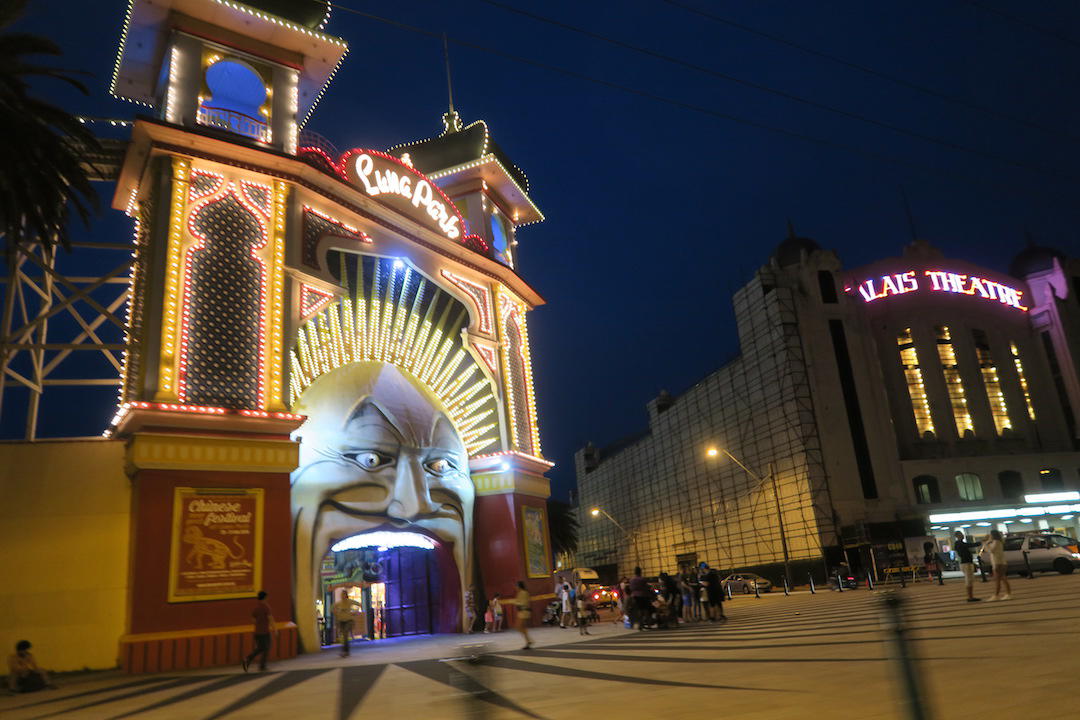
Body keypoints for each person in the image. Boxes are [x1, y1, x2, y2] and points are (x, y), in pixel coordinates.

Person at [242, 590, 276, 672]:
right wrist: (275, 629)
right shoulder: (266, 607)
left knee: (262, 648)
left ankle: (252, 661)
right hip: (265, 632)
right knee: (265, 648)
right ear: (265, 597)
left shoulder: (256, 608)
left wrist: (259, 622)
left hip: (257, 632)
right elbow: (270, 619)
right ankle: (255, 662)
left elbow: (253, 620)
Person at [984, 530, 1012, 601]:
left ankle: (998, 595)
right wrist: (987, 543)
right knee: (1001, 579)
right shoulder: (998, 542)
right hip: (998, 562)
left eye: (990, 535)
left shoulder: (996, 542)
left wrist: (986, 543)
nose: (990, 536)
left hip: (998, 563)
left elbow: (991, 551)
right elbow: (989, 550)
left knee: (999, 580)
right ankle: (1005, 594)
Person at [331, 590, 362, 657]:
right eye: (341, 595)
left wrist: (355, 612)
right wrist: (336, 613)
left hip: (349, 620)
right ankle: (345, 651)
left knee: (345, 634)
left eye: (343, 594)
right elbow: (332, 608)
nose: (342, 596)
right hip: (341, 621)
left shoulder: (349, 601)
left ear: (346, 595)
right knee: (344, 636)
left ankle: (345, 651)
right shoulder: (339, 603)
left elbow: (359, 604)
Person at [954, 530, 981, 603]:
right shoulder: (958, 543)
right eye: (961, 534)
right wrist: (980, 543)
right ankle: (970, 597)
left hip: (966, 563)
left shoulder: (959, 543)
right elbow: (969, 545)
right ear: (957, 536)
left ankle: (971, 596)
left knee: (970, 579)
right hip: (966, 563)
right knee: (969, 580)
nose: (963, 535)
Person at [514, 581, 533, 649]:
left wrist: (516, 603)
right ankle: (528, 641)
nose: (515, 588)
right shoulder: (522, 592)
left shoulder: (523, 593)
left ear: (519, 586)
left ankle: (529, 641)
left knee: (518, 626)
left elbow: (523, 603)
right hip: (522, 611)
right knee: (522, 627)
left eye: (516, 586)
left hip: (523, 611)